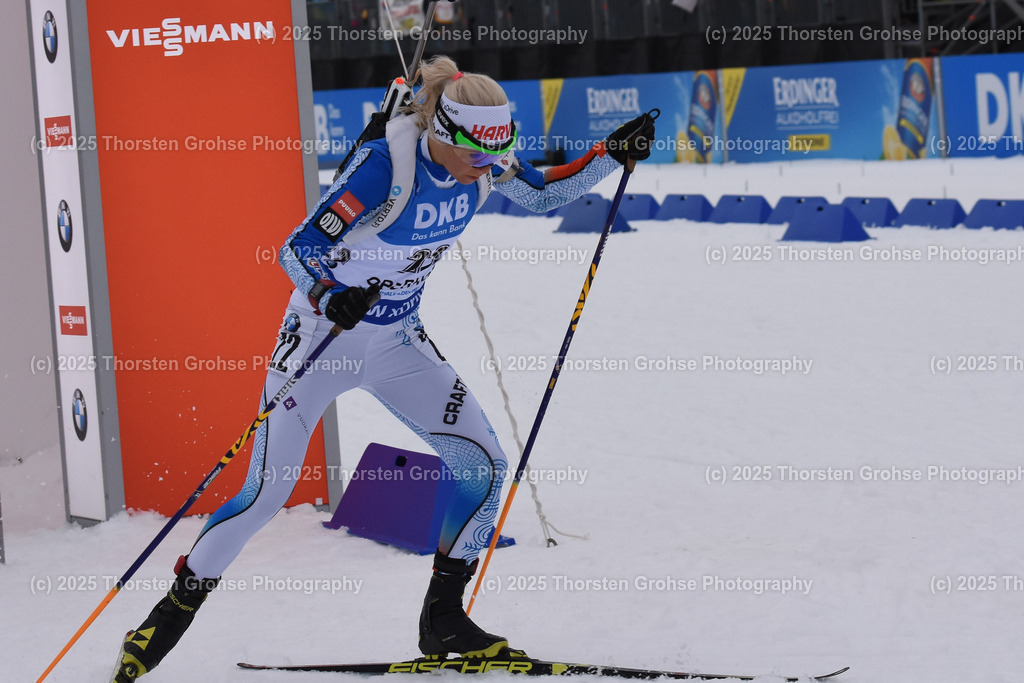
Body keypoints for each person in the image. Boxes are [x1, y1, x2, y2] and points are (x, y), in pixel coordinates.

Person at [112, 55, 656, 681]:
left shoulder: (484, 160)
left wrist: (613, 152)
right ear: (443, 134)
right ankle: (166, 617)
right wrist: (326, 294)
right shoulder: (385, 169)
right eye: (478, 157)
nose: (488, 168)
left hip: (398, 342)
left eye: (496, 156)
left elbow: (545, 192)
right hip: (321, 341)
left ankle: (443, 619)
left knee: (482, 467)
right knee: (266, 493)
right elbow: (299, 247)